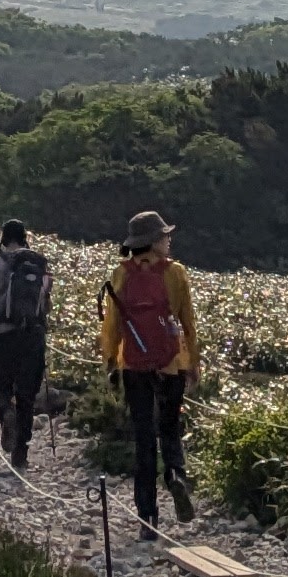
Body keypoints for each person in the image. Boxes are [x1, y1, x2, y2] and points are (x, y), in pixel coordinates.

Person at [99, 210, 203, 530]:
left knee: (144, 440)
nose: (169, 241)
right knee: (170, 429)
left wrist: (111, 363)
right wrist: (193, 364)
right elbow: (188, 323)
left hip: (134, 365)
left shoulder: (121, 275)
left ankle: (147, 518)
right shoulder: (176, 273)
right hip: (169, 364)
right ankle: (175, 475)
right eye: (165, 236)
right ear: (155, 242)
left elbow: (112, 325)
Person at [0, 217, 58, 471]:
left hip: (2, 335)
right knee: (27, 394)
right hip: (32, 336)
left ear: (3, 237)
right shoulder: (40, 266)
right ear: (25, 237)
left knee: (2, 385)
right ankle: (21, 452)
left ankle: (5, 413)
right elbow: (46, 305)